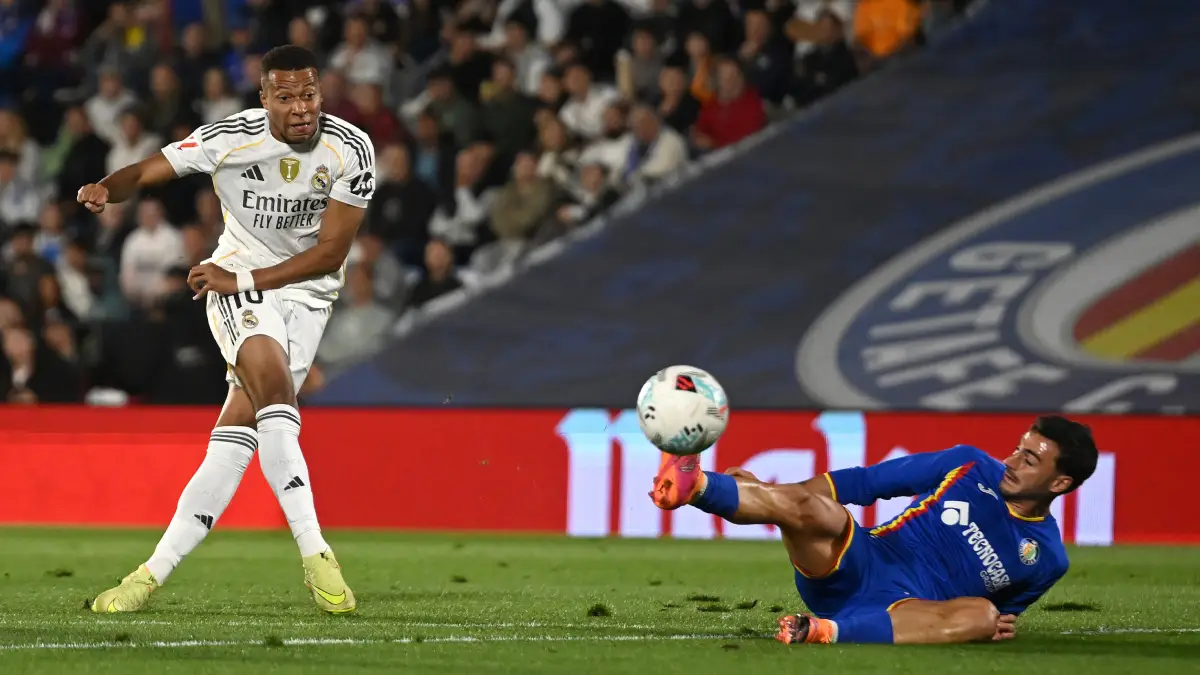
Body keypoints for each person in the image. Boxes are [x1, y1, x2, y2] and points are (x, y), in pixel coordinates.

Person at [77, 45, 375, 615]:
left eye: (309, 94)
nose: (300, 108)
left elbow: (330, 252)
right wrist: (105, 188)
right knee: (275, 388)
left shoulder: (350, 149)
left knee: (241, 422)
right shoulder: (229, 138)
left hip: (308, 296)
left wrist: (248, 281)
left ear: (321, 93)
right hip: (234, 279)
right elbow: (147, 170)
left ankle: (149, 575)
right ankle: (316, 554)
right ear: (263, 98)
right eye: (285, 96)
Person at [651, 415, 1099, 645]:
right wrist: (776, 495)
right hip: (860, 561)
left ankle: (824, 632)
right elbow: (863, 484)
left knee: (980, 616)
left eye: (1030, 460)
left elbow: (997, 619)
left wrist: (993, 625)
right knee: (820, 511)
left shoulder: (1046, 560)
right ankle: (695, 485)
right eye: (1019, 449)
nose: (1013, 461)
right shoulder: (969, 464)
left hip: (903, 611)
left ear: (1060, 484)